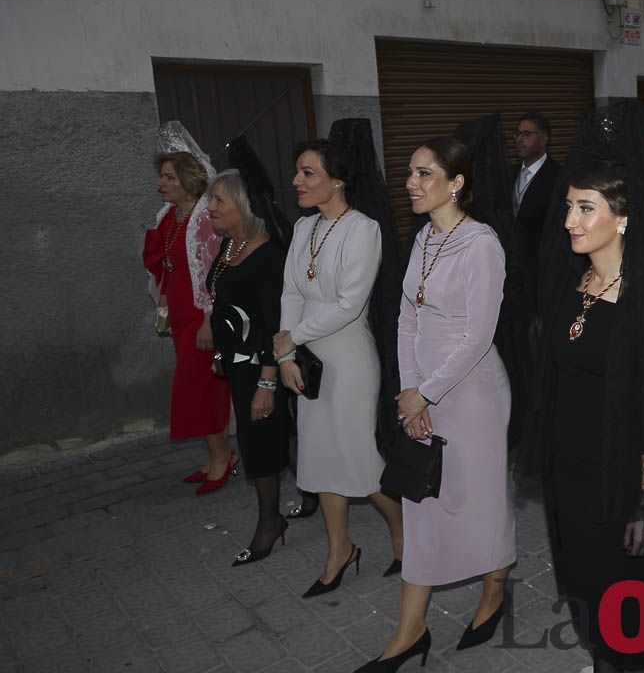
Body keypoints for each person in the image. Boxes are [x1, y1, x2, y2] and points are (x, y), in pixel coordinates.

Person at [524, 106, 644, 672]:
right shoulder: (573, 281)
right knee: (582, 588)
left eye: (584, 208)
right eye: (569, 207)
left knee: (624, 608)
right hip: (568, 469)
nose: (570, 220)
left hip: (619, 475)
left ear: (622, 217)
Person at [357, 135, 517, 672]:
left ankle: (495, 590)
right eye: (410, 173)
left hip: (472, 396)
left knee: (483, 498)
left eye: (424, 174)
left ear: (457, 183)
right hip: (422, 391)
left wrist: (424, 391)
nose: (410, 184)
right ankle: (410, 632)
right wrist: (410, 392)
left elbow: (478, 336)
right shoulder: (424, 239)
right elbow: (407, 319)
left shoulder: (481, 245)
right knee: (421, 504)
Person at [274, 140, 406, 598]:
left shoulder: (364, 229)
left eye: (308, 173)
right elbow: (290, 292)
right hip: (308, 361)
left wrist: (294, 338)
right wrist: (287, 355)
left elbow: (350, 305)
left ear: (338, 180)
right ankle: (339, 549)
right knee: (321, 456)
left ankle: (403, 532)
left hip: (349, 360)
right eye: (297, 172)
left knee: (363, 463)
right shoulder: (301, 228)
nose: (297, 181)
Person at [205, 138, 294, 565]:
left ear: (241, 204)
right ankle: (308, 498)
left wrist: (266, 383)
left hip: (261, 367)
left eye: (218, 201)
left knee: (260, 443)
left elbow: (275, 326)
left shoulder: (267, 257)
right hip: (238, 365)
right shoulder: (229, 248)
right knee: (268, 438)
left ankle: (269, 523)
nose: (211, 208)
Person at [143, 122, 234, 494]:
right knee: (200, 389)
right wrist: (164, 301)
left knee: (199, 391)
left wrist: (209, 321)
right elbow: (168, 263)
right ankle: (218, 456)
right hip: (181, 317)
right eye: (161, 176)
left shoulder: (204, 220)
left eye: (167, 177)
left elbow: (216, 274)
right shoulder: (168, 216)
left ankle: (223, 457)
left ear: (186, 179)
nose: (160, 183)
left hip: (202, 319)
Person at [512, 112, 561, 299]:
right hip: (512, 274)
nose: (519, 140)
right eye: (517, 134)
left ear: (543, 139)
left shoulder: (559, 177)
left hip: (543, 273)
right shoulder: (509, 174)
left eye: (527, 134)